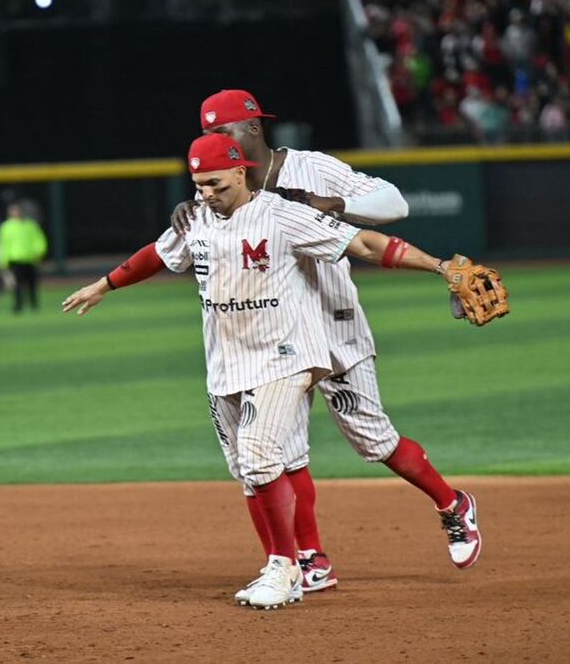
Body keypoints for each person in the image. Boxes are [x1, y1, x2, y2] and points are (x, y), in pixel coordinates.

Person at [64, 134, 486, 610]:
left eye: (216, 184)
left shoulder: (281, 214)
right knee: (253, 470)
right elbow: (157, 255)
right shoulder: (196, 218)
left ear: (241, 172)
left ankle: (284, 568)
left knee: (264, 455)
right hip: (226, 365)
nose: (206, 194)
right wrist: (104, 285)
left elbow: (364, 242)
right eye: (199, 185)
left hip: (285, 356)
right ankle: (299, 563)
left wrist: (438, 267)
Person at [171, 90, 482, 590]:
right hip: (274, 336)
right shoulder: (223, 186)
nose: (213, 143)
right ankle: (311, 557)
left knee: (372, 437)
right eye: (207, 135)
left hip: (333, 322)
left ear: (252, 128)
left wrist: (341, 204)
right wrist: (188, 209)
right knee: (284, 450)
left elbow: (394, 202)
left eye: (220, 132)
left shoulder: (312, 168)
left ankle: (452, 503)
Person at [0, 202, 48, 313]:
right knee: (16, 285)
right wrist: (3, 261)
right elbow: (3, 245)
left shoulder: (30, 225)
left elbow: (39, 240)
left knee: (32, 284)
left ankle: (34, 304)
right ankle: (18, 305)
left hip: (30, 259)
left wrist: (38, 253)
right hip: (15, 259)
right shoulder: (6, 227)